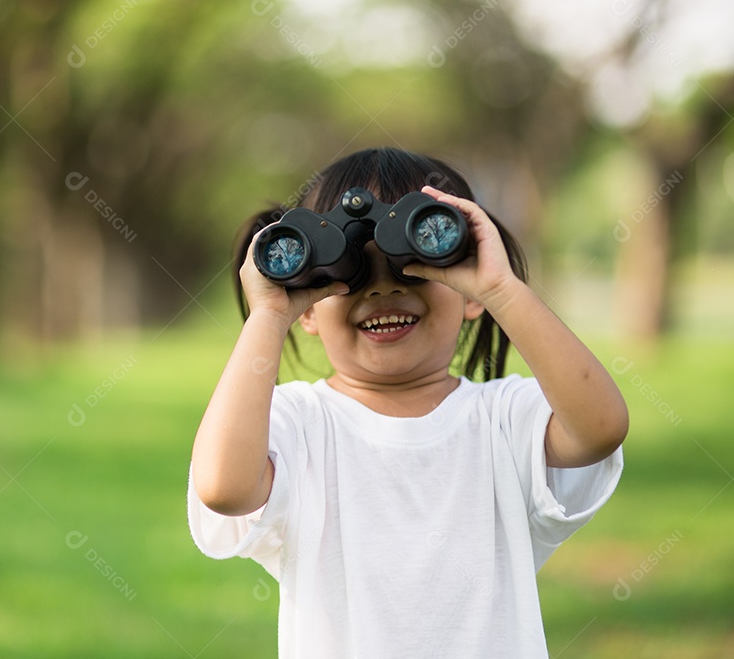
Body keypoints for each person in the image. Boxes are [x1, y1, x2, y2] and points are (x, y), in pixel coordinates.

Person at [187, 147, 628, 658]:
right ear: (307, 302)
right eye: (350, 274)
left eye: (414, 265)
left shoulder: (504, 419)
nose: (382, 289)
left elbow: (600, 427)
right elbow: (223, 488)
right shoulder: (298, 424)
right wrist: (267, 314)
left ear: (469, 293)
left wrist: (502, 288)